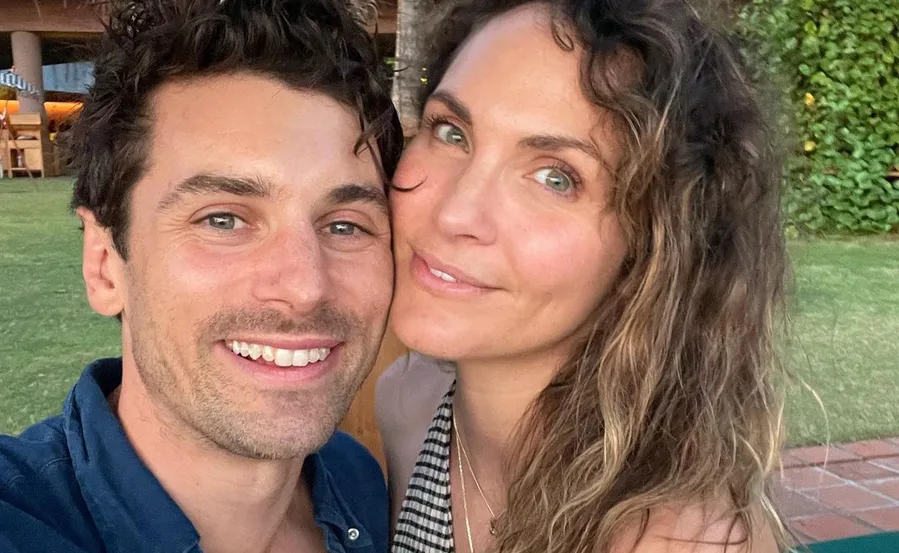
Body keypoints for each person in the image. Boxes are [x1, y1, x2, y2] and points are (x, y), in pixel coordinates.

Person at [377, 1, 788, 553]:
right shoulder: (408, 405)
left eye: (555, 177)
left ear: (652, 247)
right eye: (451, 132)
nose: (455, 213)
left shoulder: (679, 539)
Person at [0, 1, 402, 552]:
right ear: (103, 264)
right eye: (223, 219)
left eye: (345, 225)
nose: (306, 287)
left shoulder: (361, 485)